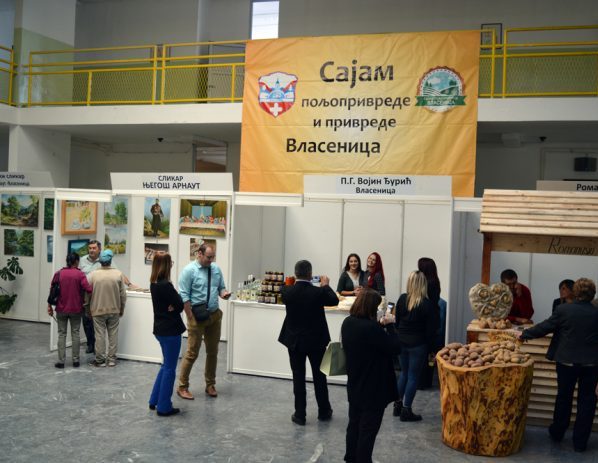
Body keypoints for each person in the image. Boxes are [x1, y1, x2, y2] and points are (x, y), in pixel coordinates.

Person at [519, 278, 598, 453]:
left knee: (564, 397)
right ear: (593, 294)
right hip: (592, 364)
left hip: (566, 362)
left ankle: (557, 433)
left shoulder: (564, 310)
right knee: (587, 402)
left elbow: (545, 327)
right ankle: (580, 443)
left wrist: (525, 334)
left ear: (575, 292)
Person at [341, 288, 401, 462]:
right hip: (373, 388)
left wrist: (379, 326)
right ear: (370, 308)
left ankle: (350, 458)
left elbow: (367, 341)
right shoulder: (372, 328)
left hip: (355, 382)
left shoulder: (348, 322)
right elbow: (395, 348)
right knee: (368, 430)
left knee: (354, 424)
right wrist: (390, 326)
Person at [278, 259, 339, 425]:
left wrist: (290, 282)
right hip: (316, 341)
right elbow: (334, 300)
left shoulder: (287, 291)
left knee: (298, 376)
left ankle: (300, 414)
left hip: (294, 341)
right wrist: (325, 285)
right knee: (319, 377)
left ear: (295, 273)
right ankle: (324, 411)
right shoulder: (318, 292)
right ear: (311, 274)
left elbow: (284, 290)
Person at [177, 244, 231, 400]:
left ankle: (210, 384)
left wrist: (224, 294)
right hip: (197, 317)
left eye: (213, 257)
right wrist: (190, 317)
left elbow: (221, 288)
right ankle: (182, 386)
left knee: (213, 352)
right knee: (192, 353)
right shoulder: (189, 271)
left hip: (214, 316)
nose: (211, 260)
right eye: (209, 257)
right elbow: (184, 296)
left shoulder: (216, 269)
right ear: (199, 254)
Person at [394, 270, 438, 421]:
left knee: (404, 374)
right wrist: (432, 349)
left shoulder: (402, 299)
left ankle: (397, 405)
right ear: (423, 284)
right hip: (418, 344)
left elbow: (397, 322)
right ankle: (406, 410)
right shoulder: (427, 304)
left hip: (401, 341)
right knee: (413, 376)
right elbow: (431, 331)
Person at [80, 239, 132, 354]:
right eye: (90, 248)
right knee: (87, 321)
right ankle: (90, 344)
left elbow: (118, 273)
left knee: (99, 328)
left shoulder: (105, 259)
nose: (91, 250)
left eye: (94, 248)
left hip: (100, 295)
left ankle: (99, 352)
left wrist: (129, 284)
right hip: (86, 295)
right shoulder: (82, 260)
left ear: (99, 249)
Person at [149, 252, 185, 417]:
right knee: (170, 368)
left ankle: (154, 399)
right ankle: (164, 406)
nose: (171, 265)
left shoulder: (154, 283)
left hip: (160, 330)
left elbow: (175, 304)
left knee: (165, 366)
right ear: (166, 265)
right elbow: (179, 304)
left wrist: (174, 305)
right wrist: (175, 305)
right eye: (170, 263)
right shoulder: (166, 285)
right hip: (171, 331)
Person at [47, 252, 93, 368]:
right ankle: (76, 361)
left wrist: (49, 306)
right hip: (76, 309)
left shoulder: (58, 273)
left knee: (61, 334)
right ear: (76, 261)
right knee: (75, 334)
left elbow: (52, 291)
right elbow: (88, 289)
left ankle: (61, 361)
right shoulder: (80, 274)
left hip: (61, 309)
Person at [87, 249, 127, 367]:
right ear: (111, 260)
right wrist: (122, 308)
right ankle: (111, 360)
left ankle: (100, 360)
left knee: (99, 335)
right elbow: (123, 295)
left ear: (100, 261)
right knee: (113, 334)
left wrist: (87, 308)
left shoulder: (93, 275)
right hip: (114, 310)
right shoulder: (118, 274)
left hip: (97, 310)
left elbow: (87, 293)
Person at [417, 257, 441, 390]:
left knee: (426, 352)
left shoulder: (428, 284)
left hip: (429, 321)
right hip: (434, 321)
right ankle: (428, 377)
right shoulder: (435, 281)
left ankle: (422, 379)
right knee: (431, 352)